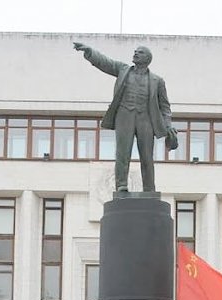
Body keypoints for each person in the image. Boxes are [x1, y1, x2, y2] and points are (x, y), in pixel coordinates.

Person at [73, 42, 178, 192]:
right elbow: (105, 63)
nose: (135, 53)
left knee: (147, 156)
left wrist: (168, 125)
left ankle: (149, 188)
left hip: (146, 119)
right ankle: (121, 185)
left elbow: (165, 107)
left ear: (147, 58)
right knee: (123, 153)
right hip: (124, 115)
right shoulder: (123, 70)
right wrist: (90, 52)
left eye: (140, 52)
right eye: (135, 51)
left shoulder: (157, 81)